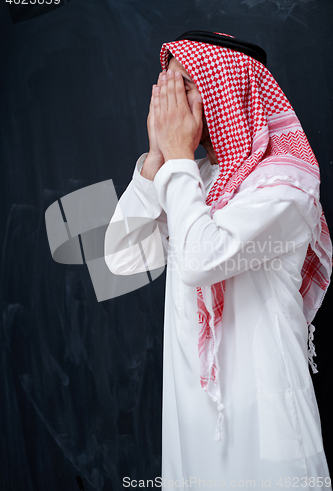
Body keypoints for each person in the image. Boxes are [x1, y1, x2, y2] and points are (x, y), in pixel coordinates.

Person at [104, 31, 332, 489]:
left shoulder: (286, 183)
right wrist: (155, 161)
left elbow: (201, 258)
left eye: (186, 84)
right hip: (195, 426)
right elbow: (122, 258)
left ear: (229, 89)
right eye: (167, 85)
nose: (171, 101)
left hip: (266, 429)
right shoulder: (195, 181)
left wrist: (178, 163)